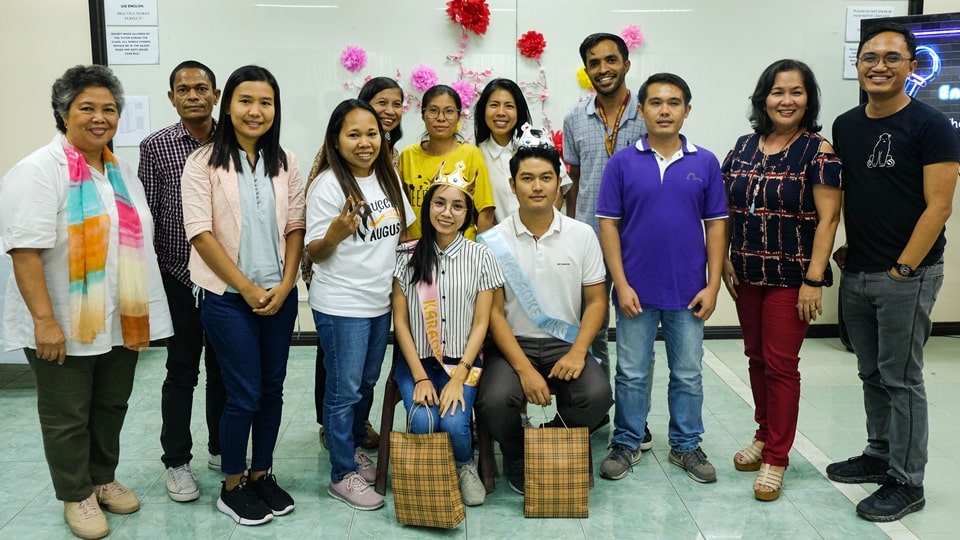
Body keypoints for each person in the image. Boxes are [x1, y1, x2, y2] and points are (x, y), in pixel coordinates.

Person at [0, 64, 173, 540]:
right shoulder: (39, 170)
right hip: (62, 320)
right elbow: (24, 251)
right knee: (67, 415)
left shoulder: (118, 173)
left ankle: (102, 477)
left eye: (109, 109)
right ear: (63, 112)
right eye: (87, 109)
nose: (100, 118)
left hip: (118, 319)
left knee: (111, 404)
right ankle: (76, 494)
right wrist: (44, 321)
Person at [825, 22, 960, 522]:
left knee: (901, 378)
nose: (878, 65)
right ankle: (879, 453)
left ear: (911, 65)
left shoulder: (931, 125)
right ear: (857, 65)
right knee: (870, 371)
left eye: (891, 57)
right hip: (858, 269)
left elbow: (939, 207)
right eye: (869, 57)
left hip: (908, 273)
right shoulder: (846, 124)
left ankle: (908, 480)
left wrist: (905, 267)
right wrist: (847, 249)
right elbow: (854, 194)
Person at [181, 65, 304, 526]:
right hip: (228, 297)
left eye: (266, 102)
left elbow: (295, 225)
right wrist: (248, 287)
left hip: (279, 294)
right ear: (227, 104)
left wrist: (287, 282)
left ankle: (261, 473)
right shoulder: (203, 162)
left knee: (272, 389)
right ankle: (232, 485)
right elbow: (200, 233)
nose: (256, 111)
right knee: (244, 392)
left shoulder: (286, 160)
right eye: (246, 101)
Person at [720, 59, 842, 501]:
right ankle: (763, 433)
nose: (786, 100)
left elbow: (829, 220)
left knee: (781, 365)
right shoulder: (743, 146)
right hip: (747, 270)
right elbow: (725, 208)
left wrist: (814, 280)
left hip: (792, 277)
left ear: (808, 100)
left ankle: (776, 457)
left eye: (796, 92)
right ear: (763, 98)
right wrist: (724, 260)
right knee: (755, 358)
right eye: (777, 91)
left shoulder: (819, 150)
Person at [597, 73, 728, 484]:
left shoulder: (704, 162)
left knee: (688, 372)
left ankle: (686, 445)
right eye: (655, 102)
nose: (665, 110)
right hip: (635, 290)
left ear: (687, 109)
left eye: (674, 102)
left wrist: (713, 284)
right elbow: (608, 225)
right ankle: (627, 441)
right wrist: (620, 282)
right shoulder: (622, 162)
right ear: (641, 110)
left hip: (689, 292)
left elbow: (717, 225)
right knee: (632, 372)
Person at [475, 141, 613, 495]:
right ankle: (517, 452)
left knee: (597, 396)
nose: (537, 186)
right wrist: (523, 370)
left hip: (564, 343)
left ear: (558, 184)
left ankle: (554, 442)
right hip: (510, 346)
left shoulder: (581, 235)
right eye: (527, 178)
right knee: (493, 399)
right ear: (512, 185)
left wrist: (579, 352)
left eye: (546, 178)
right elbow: (493, 315)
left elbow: (597, 302)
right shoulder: (492, 241)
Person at [306, 99, 414, 511]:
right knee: (343, 390)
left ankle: (351, 450)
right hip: (341, 304)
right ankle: (341, 473)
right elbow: (314, 253)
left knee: (365, 383)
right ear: (336, 139)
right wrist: (335, 233)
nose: (365, 142)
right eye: (354, 134)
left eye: (372, 133)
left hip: (378, 302)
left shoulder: (386, 178)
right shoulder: (328, 185)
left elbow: (399, 236)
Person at [139, 59, 227, 502]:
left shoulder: (232, 140)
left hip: (223, 277)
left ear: (215, 94)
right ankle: (176, 462)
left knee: (223, 369)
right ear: (171, 97)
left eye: (201, 88)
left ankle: (219, 448)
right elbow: (147, 216)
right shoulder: (155, 146)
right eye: (183, 89)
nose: (193, 95)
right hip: (176, 274)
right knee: (181, 371)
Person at [392, 166, 503, 507]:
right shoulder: (406, 256)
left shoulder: (480, 255)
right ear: (427, 208)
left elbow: (482, 322)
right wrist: (421, 376)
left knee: (455, 423)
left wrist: (460, 376)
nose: (447, 213)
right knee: (424, 420)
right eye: (439, 203)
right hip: (417, 361)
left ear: (468, 214)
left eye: (457, 206)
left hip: (464, 359)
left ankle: (464, 465)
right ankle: (428, 469)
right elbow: (401, 323)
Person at [563, 32, 647, 400]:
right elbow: (575, 182)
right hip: (589, 245)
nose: (603, 68)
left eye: (611, 60)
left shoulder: (649, 115)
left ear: (626, 64)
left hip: (637, 245)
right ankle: (594, 407)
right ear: (586, 70)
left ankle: (634, 418)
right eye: (594, 63)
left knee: (635, 336)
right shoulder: (574, 119)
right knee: (590, 332)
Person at [399, 84, 494, 239]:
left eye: (449, 111)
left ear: (458, 116)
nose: (441, 118)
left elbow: (486, 211)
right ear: (423, 115)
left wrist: (477, 252)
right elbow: (400, 210)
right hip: (418, 250)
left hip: (462, 250)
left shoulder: (471, 155)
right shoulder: (408, 156)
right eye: (433, 110)